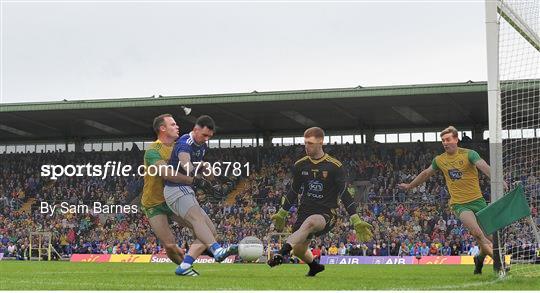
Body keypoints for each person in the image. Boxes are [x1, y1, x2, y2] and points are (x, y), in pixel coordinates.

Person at [399, 126, 505, 275]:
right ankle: (501, 263)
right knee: (477, 233)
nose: (445, 143)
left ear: (456, 139)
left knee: (491, 238)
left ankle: (479, 259)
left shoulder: (469, 154)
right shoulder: (440, 160)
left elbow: (483, 166)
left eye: (448, 139)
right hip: (460, 204)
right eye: (443, 140)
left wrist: (498, 180)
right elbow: (425, 173)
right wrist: (410, 186)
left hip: (479, 202)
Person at [268, 127, 373, 276]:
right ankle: (314, 266)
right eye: (305, 143)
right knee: (299, 250)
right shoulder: (300, 165)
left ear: (321, 142)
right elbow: (294, 190)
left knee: (311, 222)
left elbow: (344, 193)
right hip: (304, 211)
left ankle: (281, 253)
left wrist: (355, 219)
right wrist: (282, 212)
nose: (306, 146)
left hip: (326, 213)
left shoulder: (335, 166)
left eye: (310, 143)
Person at [164, 115, 237, 276]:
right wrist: (202, 169)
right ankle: (217, 250)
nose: (206, 139)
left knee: (211, 232)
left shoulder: (201, 146)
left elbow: (201, 169)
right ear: (195, 130)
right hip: (176, 189)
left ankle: (184, 267)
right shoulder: (185, 143)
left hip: (185, 190)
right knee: (197, 219)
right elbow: (187, 165)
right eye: (204, 135)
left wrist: (216, 181)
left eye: (209, 137)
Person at [141, 114, 215, 269]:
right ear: (162, 128)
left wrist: (205, 170)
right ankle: (185, 267)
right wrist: (194, 181)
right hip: (154, 203)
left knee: (205, 230)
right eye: (173, 124)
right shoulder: (152, 151)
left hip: (174, 197)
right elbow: (166, 174)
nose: (177, 127)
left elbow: (193, 168)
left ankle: (190, 260)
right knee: (170, 247)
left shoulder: (182, 145)